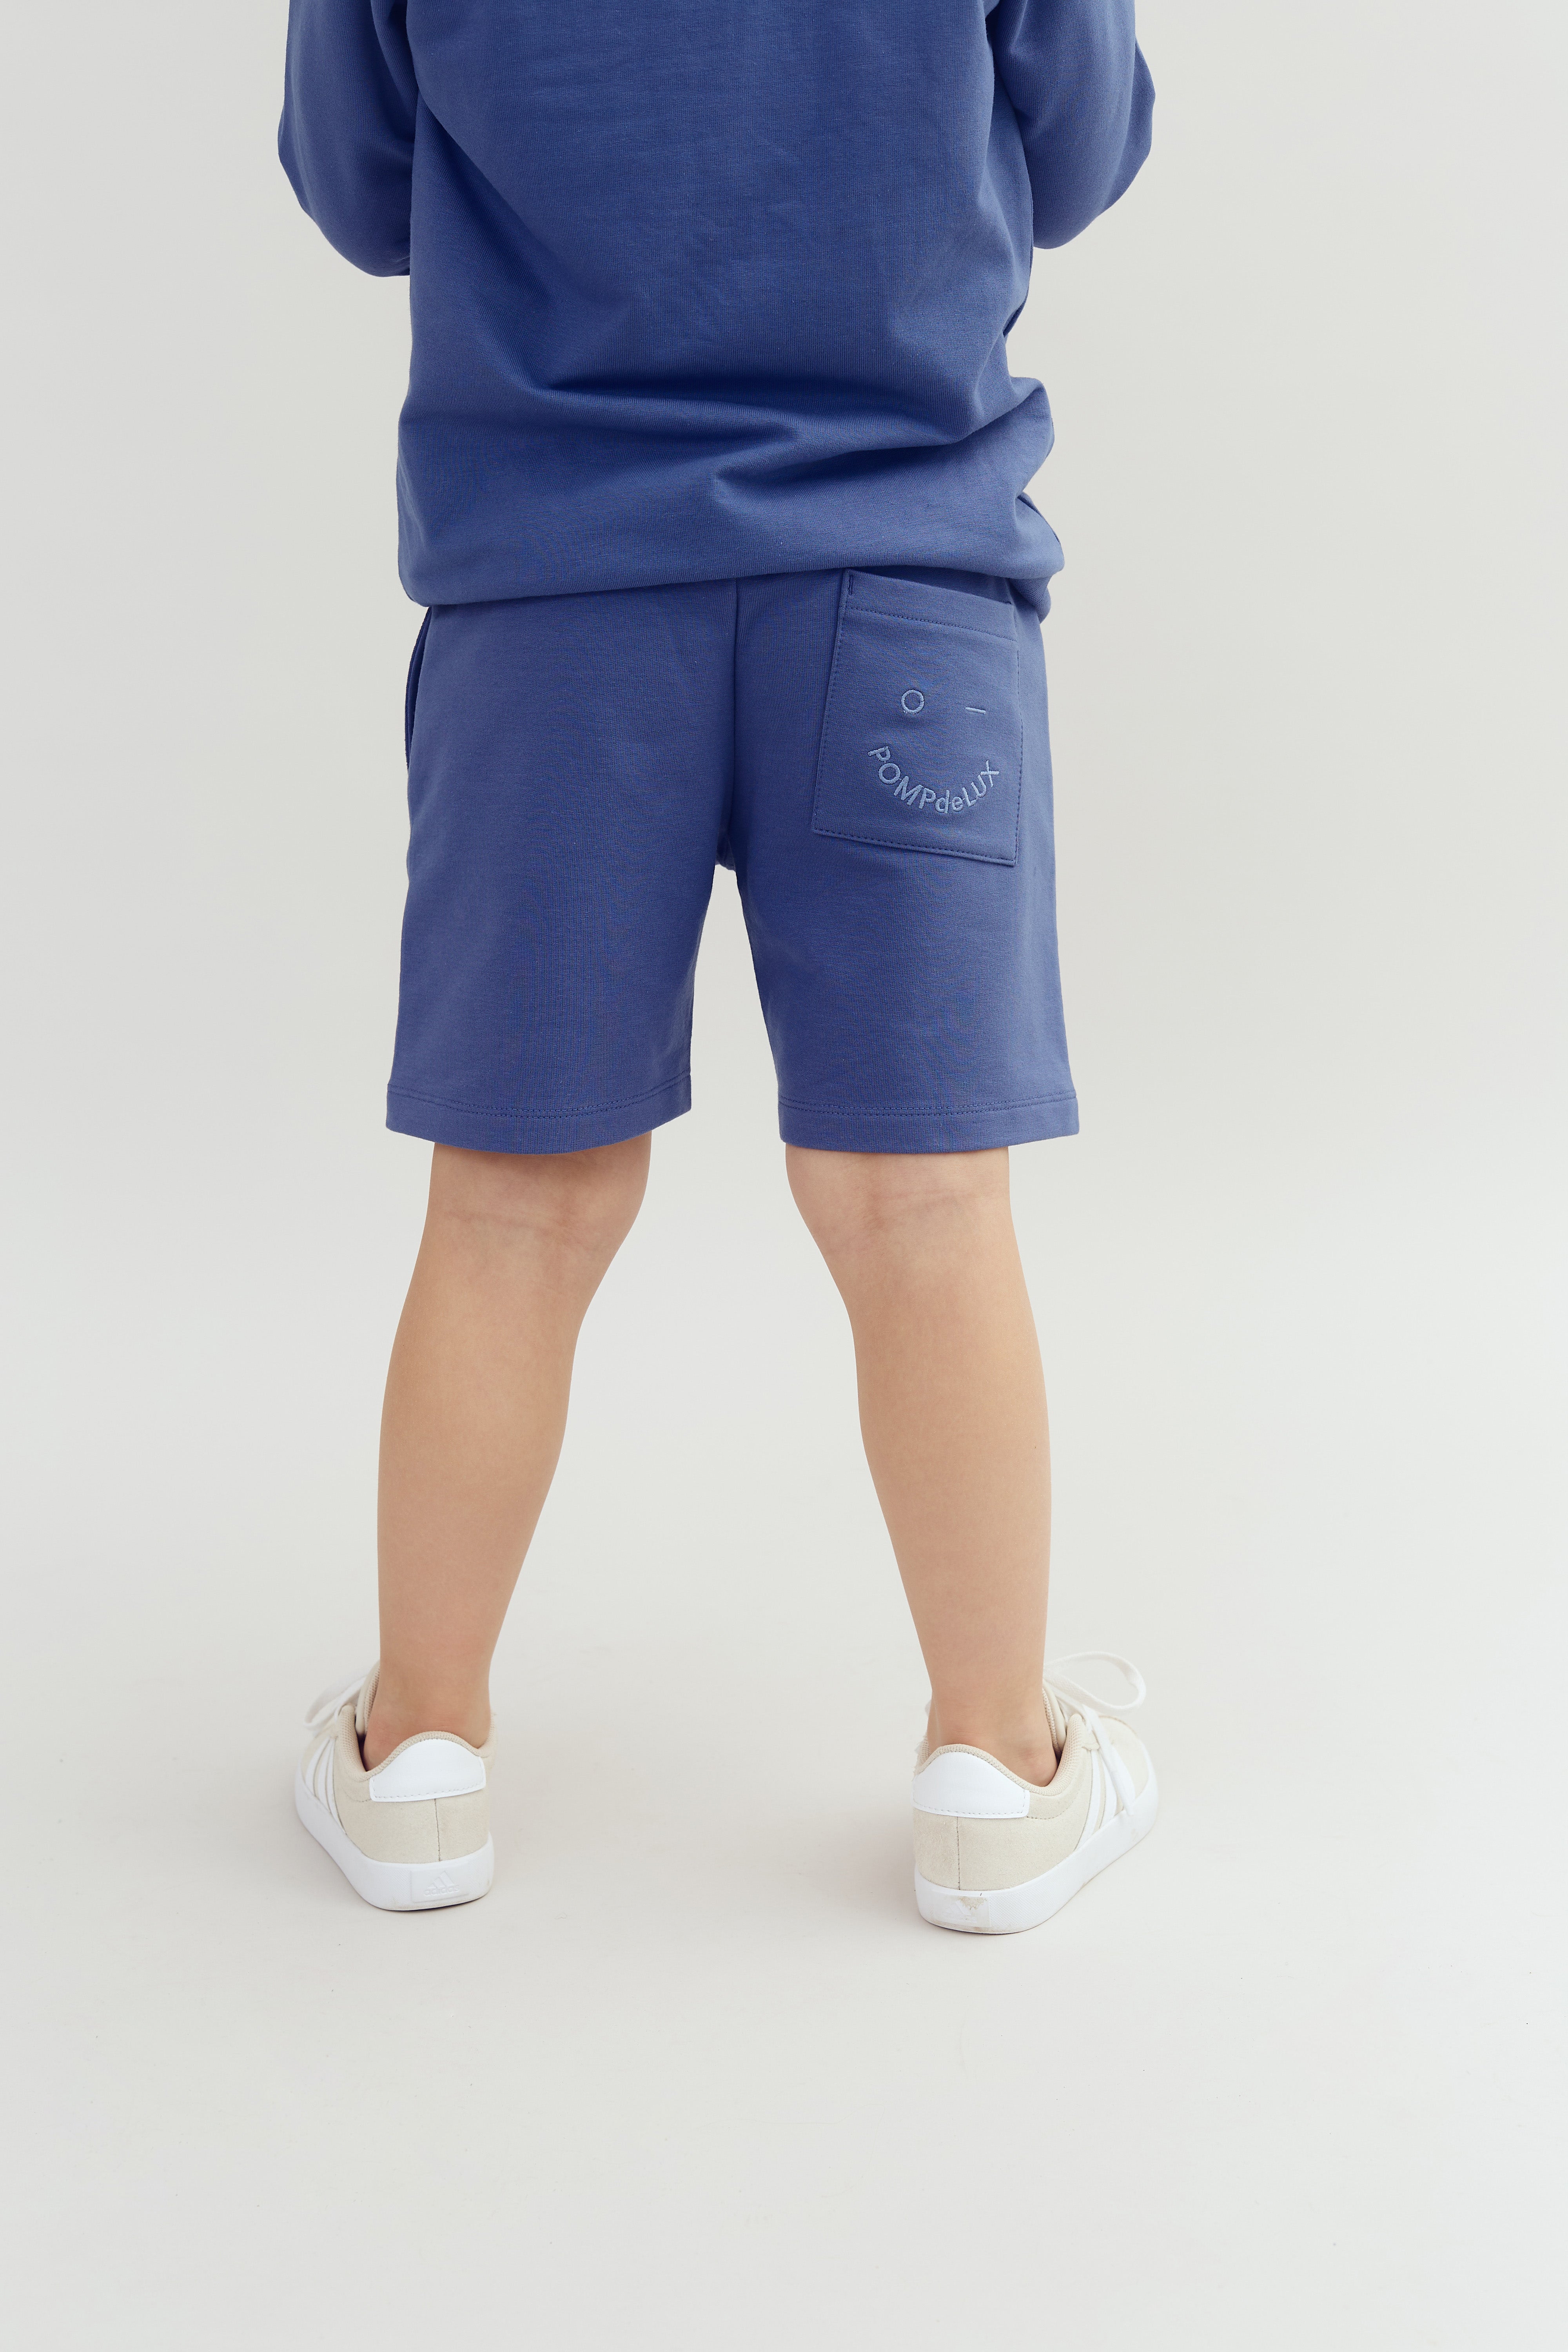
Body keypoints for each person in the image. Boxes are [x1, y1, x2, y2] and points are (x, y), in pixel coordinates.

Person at [281, 0, 1158, 1932]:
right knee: (921, 1201)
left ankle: (420, 1750)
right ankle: (993, 1767)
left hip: (552, 601)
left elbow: (354, 190)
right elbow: (1086, 153)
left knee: (514, 1205)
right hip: (904, 569)